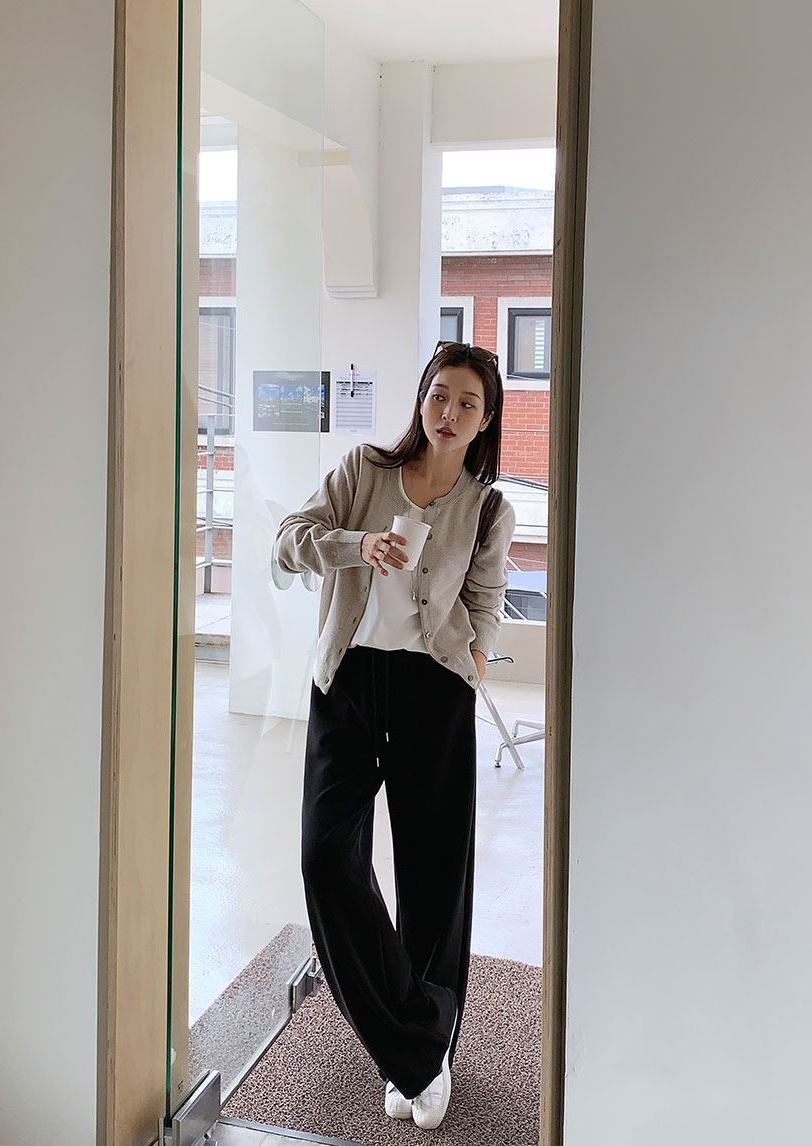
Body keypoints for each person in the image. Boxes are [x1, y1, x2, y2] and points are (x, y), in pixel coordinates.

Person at [272, 340, 516, 1130]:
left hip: (432, 689)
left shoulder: (488, 508)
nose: (449, 412)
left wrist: (474, 661)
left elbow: (486, 597)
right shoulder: (364, 472)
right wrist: (357, 545)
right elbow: (289, 539)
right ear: (421, 399)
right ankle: (413, 1044)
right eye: (440, 395)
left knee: (434, 874)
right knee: (324, 856)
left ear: (485, 420)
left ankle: (427, 1048)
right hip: (348, 682)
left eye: (467, 403)